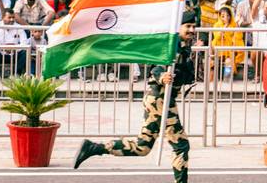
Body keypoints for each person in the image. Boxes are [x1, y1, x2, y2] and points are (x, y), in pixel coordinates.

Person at [73, 11, 197, 183]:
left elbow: (186, 74)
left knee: (143, 147)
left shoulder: (184, 46)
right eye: (188, 26)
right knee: (181, 144)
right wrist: (162, 77)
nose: (191, 29)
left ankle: (94, 148)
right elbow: (157, 67)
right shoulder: (171, 44)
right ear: (179, 27)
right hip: (160, 99)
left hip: (163, 100)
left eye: (193, 26)